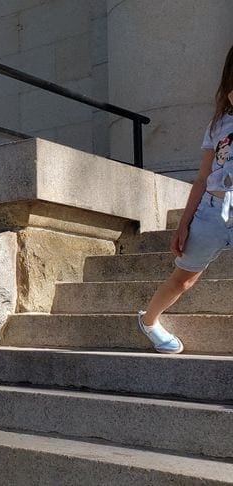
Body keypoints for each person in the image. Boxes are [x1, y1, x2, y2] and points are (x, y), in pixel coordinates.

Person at [138, 45, 233, 354]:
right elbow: (203, 177)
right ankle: (149, 321)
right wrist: (183, 224)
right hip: (212, 212)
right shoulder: (218, 125)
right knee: (184, 278)